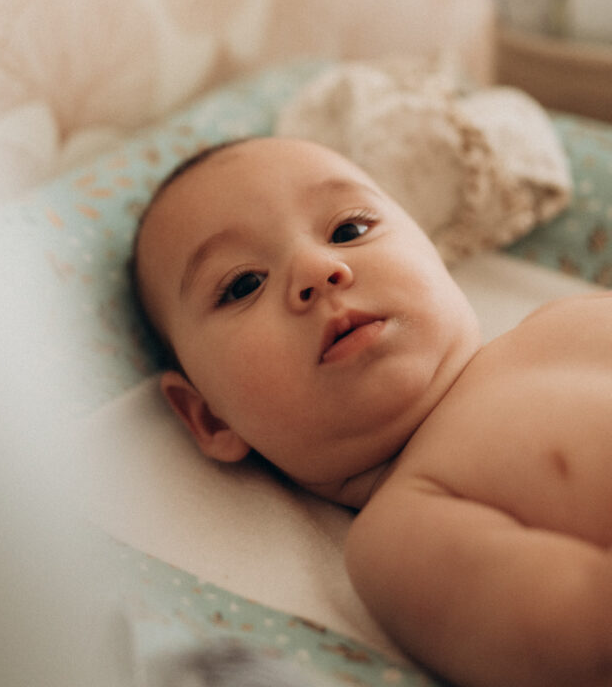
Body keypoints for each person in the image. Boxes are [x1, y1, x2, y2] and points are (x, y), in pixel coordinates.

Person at [130, 135, 612, 687]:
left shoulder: (564, 314)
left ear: (434, 250)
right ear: (209, 417)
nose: (317, 268)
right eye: (243, 285)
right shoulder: (403, 536)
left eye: (349, 230)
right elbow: (587, 638)